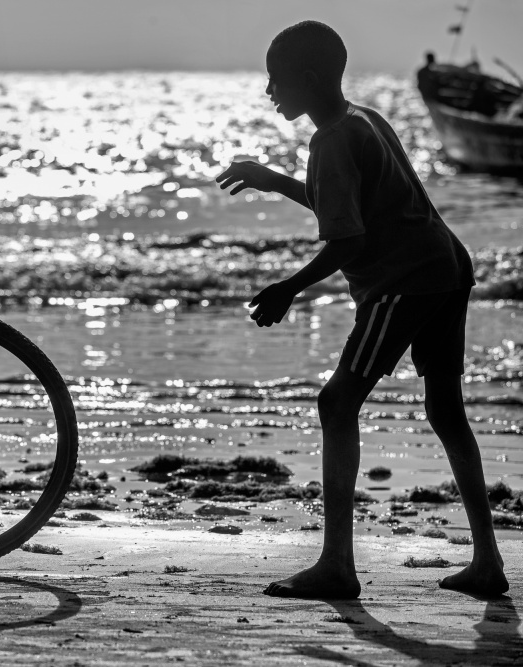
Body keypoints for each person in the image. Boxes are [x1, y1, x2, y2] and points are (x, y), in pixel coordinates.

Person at [215, 21, 507, 599]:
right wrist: (273, 181)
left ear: (307, 79)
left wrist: (289, 287)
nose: (269, 91)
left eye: (275, 80)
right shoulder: (361, 119)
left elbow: (348, 240)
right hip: (447, 267)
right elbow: (340, 201)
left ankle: (337, 565)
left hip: (406, 281)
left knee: (337, 401)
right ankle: (487, 561)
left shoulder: (331, 139)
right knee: (446, 410)